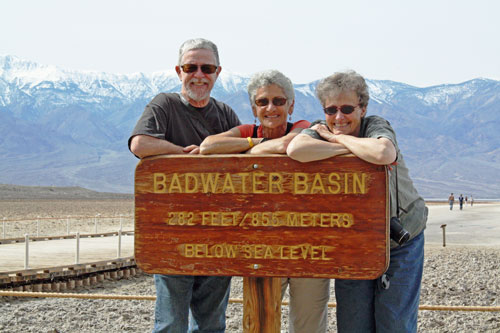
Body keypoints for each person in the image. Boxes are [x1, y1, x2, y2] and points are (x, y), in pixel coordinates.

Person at [287, 70, 428, 332]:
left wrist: (336, 139)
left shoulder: (375, 126)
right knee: (353, 323)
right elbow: (296, 150)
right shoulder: (319, 129)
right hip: (352, 243)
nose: (338, 117)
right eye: (331, 109)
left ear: (362, 108)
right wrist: (349, 145)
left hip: (399, 238)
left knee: (394, 323)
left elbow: (384, 152)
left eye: (347, 108)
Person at [201, 70, 328, 333]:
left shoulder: (304, 126)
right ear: (253, 107)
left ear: (291, 105)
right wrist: (254, 141)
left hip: (308, 245)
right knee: (259, 319)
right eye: (263, 102)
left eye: (279, 101)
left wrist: (247, 149)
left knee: (309, 324)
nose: (271, 108)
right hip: (263, 245)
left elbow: (288, 146)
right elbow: (207, 147)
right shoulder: (249, 131)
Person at [128, 38, 241, 333]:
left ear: (218, 72)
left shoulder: (226, 114)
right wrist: (184, 154)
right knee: (170, 323)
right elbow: (140, 143)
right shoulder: (164, 105)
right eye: (192, 67)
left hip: (218, 236)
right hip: (173, 234)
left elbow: (246, 158)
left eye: (207, 67)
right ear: (179, 70)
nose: (199, 74)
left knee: (211, 324)